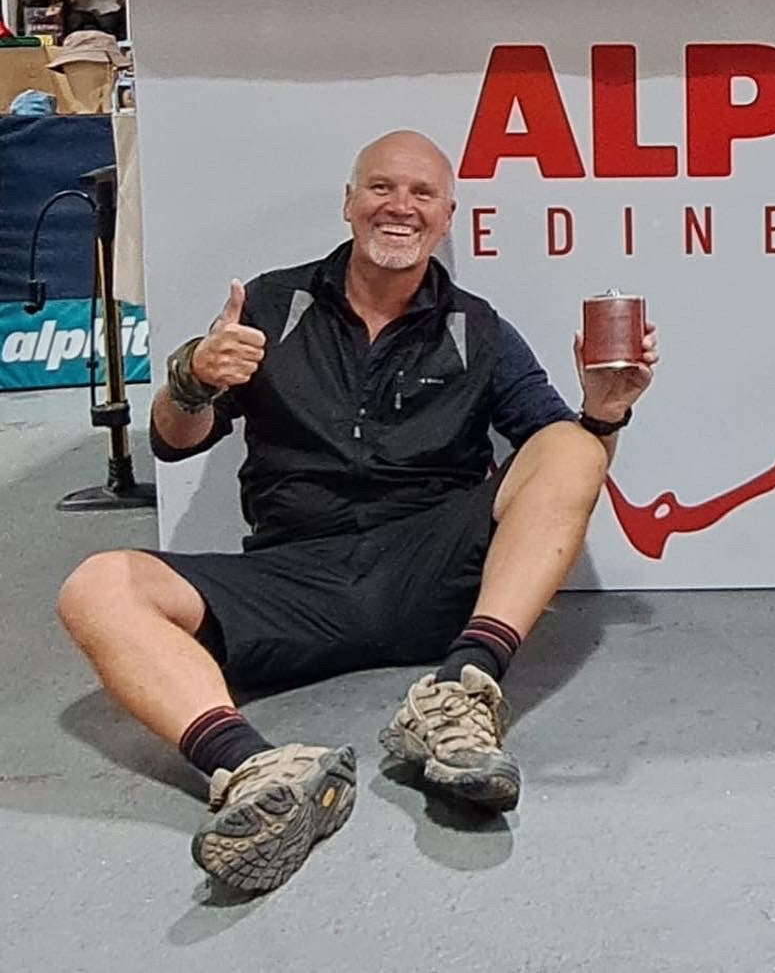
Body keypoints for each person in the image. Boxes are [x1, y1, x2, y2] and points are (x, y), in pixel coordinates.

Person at [57, 130, 659, 893]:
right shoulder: (272, 304)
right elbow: (175, 444)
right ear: (349, 203)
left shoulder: (479, 327)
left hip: (431, 577)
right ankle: (257, 771)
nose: (399, 206)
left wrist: (603, 415)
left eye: (422, 194)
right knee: (96, 584)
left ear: (446, 220)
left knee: (572, 446)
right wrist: (194, 378)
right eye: (380, 187)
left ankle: (461, 689)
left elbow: (556, 454)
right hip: (292, 578)